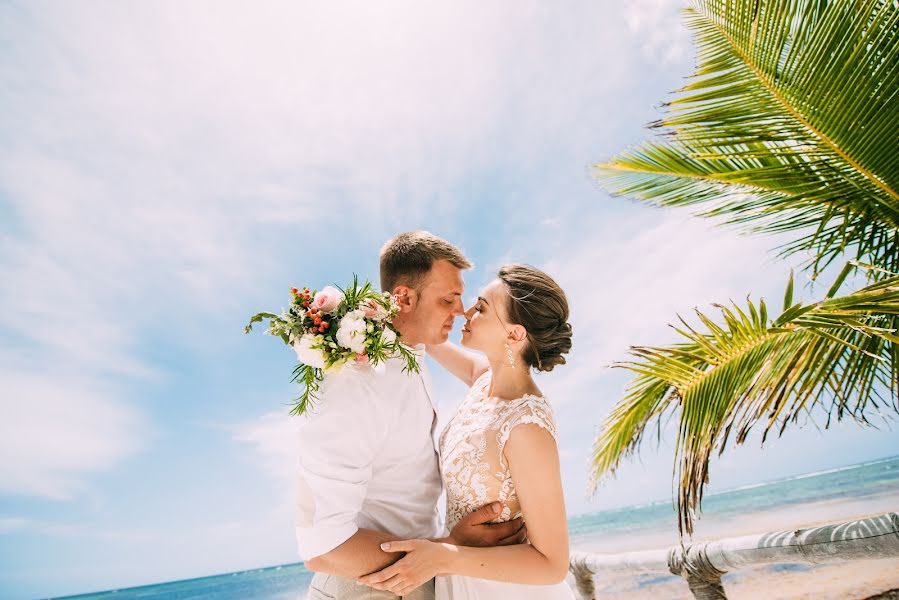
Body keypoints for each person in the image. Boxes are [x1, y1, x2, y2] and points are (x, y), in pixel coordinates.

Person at [298, 232, 527, 600]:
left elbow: (484, 373)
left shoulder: (412, 353)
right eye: (448, 299)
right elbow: (324, 547)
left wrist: (403, 324)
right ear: (404, 297)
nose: (461, 311)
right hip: (368, 589)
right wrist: (449, 546)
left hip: (418, 575)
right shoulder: (358, 384)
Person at [359, 264, 575, 599]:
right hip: (460, 580)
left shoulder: (527, 426)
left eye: (482, 308)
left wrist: (445, 556)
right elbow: (428, 340)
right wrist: (393, 313)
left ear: (515, 335)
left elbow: (552, 564)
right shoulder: (483, 379)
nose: (466, 311)